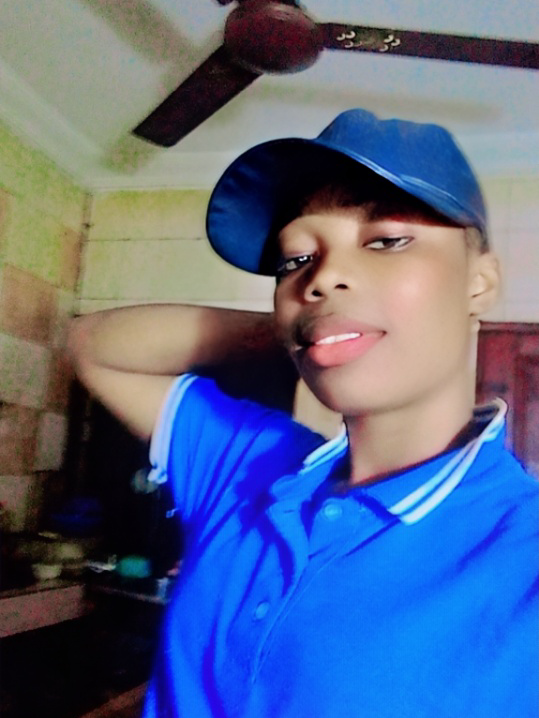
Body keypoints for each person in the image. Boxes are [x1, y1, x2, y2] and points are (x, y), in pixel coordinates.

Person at [68, 109, 538, 718]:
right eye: (295, 260)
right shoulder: (250, 466)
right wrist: (308, 330)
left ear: (479, 283)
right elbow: (91, 346)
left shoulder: (522, 561)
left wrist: (336, 323)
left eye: (386, 240)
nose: (321, 276)